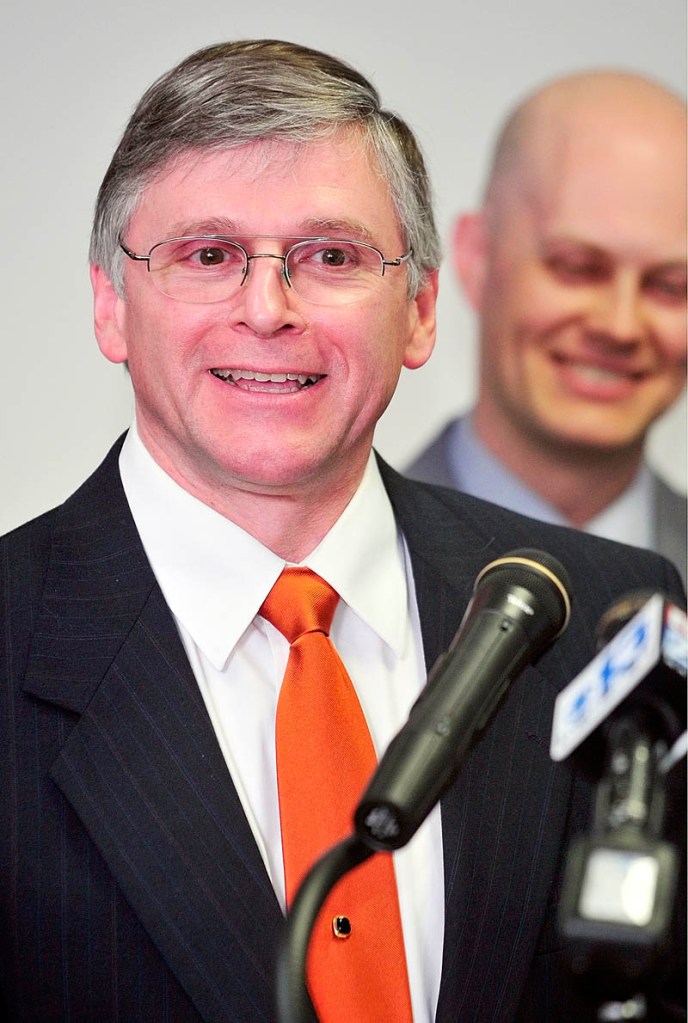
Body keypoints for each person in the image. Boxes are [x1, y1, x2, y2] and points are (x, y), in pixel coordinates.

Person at [0, 41, 684, 1023]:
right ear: (112, 304)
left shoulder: (606, 620)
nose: (268, 309)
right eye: (208, 255)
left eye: (331, 256)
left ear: (420, 309)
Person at [406, 70, 687, 584]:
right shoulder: (321, 588)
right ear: (476, 258)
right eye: (577, 267)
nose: (620, 325)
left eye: (670, 287)